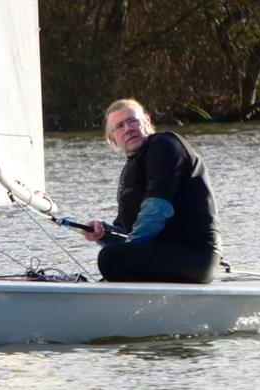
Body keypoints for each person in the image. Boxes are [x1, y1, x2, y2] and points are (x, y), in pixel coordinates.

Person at [82, 98, 222, 283]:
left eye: (133, 121)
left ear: (147, 122)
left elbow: (157, 209)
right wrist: (103, 233)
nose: (128, 128)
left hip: (197, 257)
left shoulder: (164, 145)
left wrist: (127, 253)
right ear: (112, 139)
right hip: (164, 255)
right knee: (113, 255)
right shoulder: (131, 169)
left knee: (109, 258)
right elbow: (126, 232)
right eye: (120, 126)